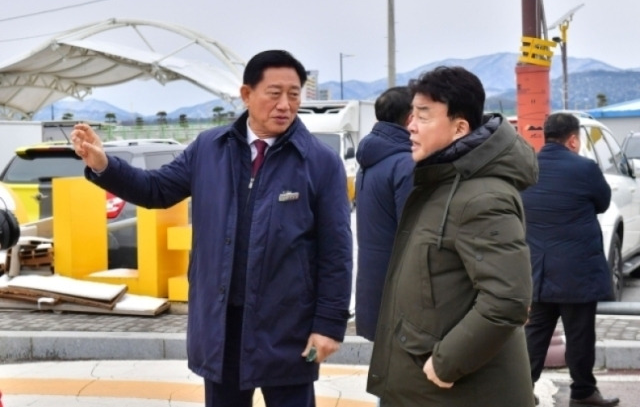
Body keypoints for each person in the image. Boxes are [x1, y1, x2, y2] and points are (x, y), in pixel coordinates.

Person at [70, 50, 353, 407]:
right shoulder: (209, 149)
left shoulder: (319, 162)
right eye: (274, 93)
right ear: (247, 95)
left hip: (287, 329)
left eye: (294, 94)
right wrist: (104, 165)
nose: (285, 104)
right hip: (222, 327)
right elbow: (156, 189)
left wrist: (328, 324)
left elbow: (336, 251)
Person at [367, 66, 538, 407]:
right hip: (422, 387)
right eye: (412, 115)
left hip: (456, 390)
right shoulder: (438, 182)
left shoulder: (482, 196)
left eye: (424, 117)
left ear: (460, 128)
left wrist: (445, 365)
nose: (411, 127)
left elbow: (507, 300)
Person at [522, 113, 619, 407]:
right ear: (573, 139)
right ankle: (583, 392)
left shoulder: (527, 169)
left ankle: (520, 391)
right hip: (577, 271)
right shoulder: (585, 167)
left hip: (537, 269)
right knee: (579, 336)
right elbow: (602, 202)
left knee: (535, 334)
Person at [355, 86, 414, 342]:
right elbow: (413, 232)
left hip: (372, 282)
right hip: (400, 289)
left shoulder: (371, 159)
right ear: (411, 116)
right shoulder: (405, 163)